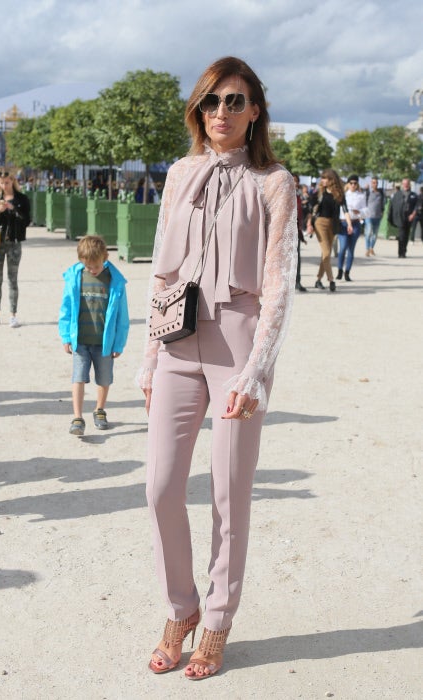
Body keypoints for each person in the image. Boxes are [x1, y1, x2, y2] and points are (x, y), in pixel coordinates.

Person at [136, 56, 297, 680]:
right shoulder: (180, 173)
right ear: (198, 110)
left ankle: (219, 620)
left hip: (238, 346)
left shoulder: (274, 182)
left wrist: (258, 370)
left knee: (229, 494)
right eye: (211, 102)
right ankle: (182, 607)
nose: (221, 113)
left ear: (255, 109)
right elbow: (161, 266)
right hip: (178, 342)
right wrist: (151, 355)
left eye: (234, 101)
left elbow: (279, 283)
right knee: (160, 488)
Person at [59, 235, 129, 436]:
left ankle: (99, 409)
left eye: (95, 266)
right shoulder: (75, 277)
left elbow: (122, 316)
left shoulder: (115, 281)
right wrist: (65, 336)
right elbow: (65, 309)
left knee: (104, 379)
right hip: (80, 341)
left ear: (105, 257)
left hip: (104, 343)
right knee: (78, 377)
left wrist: (119, 343)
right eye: (87, 266)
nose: (91, 269)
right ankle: (77, 417)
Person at [0, 168, 31, 327]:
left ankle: (13, 315)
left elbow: (27, 220)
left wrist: (14, 210)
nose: (5, 185)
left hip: (14, 243)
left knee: (13, 280)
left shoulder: (21, 199)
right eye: (2, 183)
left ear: (13, 181)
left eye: (7, 182)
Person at [306, 169, 352, 292]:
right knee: (327, 252)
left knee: (325, 254)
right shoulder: (319, 192)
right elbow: (312, 210)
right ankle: (331, 280)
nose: (322, 180)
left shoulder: (339, 194)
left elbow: (346, 210)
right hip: (320, 223)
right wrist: (309, 224)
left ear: (332, 180)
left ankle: (318, 280)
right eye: (322, 178)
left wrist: (349, 224)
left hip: (333, 224)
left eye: (325, 178)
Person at [336, 175, 366, 282]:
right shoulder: (343, 195)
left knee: (351, 249)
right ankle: (339, 269)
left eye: (355, 183)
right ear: (347, 184)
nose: (353, 185)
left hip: (355, 223)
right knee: (343, 247)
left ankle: (347, 272)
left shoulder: (361, 196)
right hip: (343, 223)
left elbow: (366, 210)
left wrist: (360, 212)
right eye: (351, 183)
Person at [388, 178, 418, 258]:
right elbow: (392, 205)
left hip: (409, 217)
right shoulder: (398, 194)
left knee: (406, 234)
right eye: (404, 183)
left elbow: (417, 206)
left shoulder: (414, 195)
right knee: (401, 235)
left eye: (407, 183)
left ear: (409, 184)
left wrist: (413, 214)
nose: (405, 185)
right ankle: (401, 252)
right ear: (402, 184)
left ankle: (404, 250)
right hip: (400, 217)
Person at [293, 174, 308, 291]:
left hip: (296, 230)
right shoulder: (283, 195)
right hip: (284, 232)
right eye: (293, 181)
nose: (295, 183)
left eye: (296, 181)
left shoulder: (299, 196)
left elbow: (301, 215)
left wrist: (301, 233)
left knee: (297, 258)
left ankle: (298, 282)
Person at [364, 177, 384, 256]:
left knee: (375, 234)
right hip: (369, 216)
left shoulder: (381, 193)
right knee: (368, 232)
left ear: (377, 183)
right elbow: (364, 203)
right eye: (373, 182)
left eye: (375, 182)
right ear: (371, 184)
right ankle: (367, 249)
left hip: (378, 216)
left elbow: (383, 203)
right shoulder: (368, 192)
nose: (374, 184)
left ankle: (371, 248)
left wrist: (382, 211)